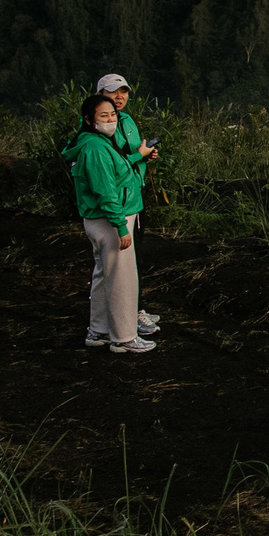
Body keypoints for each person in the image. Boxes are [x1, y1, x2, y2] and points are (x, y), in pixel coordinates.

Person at [69, 94, 153, 354]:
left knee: (104, 276)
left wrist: (138, 157)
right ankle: (124, 337)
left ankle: (99, 331)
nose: (110, 120)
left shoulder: (97, 143)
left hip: (102, 219)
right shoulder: (95, 148)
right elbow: (106, 191)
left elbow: (117, 172)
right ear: (89, 120)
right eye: (103, 116)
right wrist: (120, 226)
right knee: (122, 280)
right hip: (110, 220)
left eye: (112, 115)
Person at [92, 73, 161, 342]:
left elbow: (132, 155)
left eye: (123, 92)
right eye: (112, 92)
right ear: (99, 97)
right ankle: (124, 328)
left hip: (134, 195)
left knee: (135, 259)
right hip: (117, 203)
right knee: (119, 267)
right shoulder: (99, 128)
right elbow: (116, 165)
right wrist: (137, 156)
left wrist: (146, 155)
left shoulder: (128, 120)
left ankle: (130, 312)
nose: (119, 97)